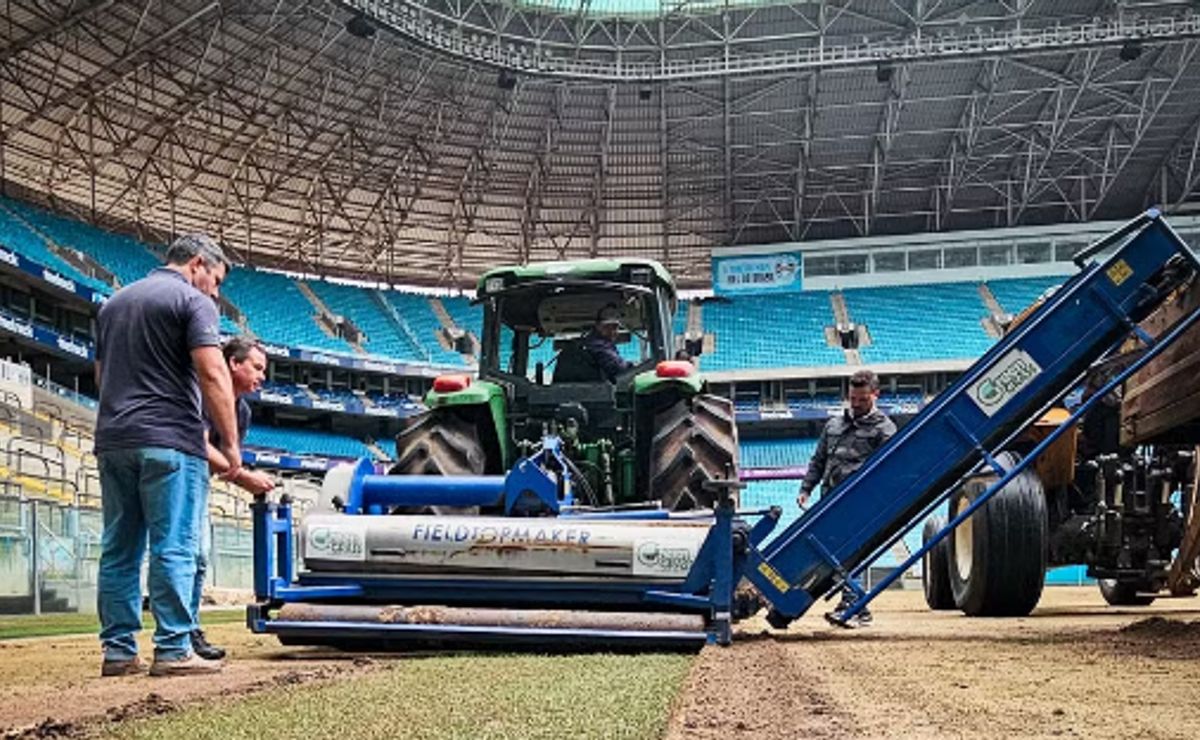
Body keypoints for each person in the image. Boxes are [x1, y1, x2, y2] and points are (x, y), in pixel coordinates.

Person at [94, 233, 240, 678]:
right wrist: (231, 445)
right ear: (198, 263)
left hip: (115, 437)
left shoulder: (113, 303)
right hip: (170, 440)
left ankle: (118, 652)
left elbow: (102, 375)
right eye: (215, 280)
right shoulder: (194, 302)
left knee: (119, 549)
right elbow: (214, 373)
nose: (215, 291)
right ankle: (174, 647)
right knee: (173, 545)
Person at [190, 336, 276, 661]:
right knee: (190, 555)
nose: (262, 376)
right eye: (256, 367)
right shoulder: (200, 390)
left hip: (199, 479)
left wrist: (243, 476)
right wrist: (245, 478)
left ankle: (187, 629)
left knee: (197, 557)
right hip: (179, 472)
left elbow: (227, 461)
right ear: (233, 363)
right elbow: (199, 443)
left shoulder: (242, 411)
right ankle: (181, 633)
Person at [797, 369, 896, 627]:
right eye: (853, 398)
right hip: (828, 500)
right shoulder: (833, 424)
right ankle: (855, 605)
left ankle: (854, 604)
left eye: (862, 399)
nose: (856, 404)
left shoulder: (884, 429)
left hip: (859, 503)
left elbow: (889, 471)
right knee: (832, 554)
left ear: (875, 395)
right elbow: (818, 461)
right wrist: (806, 489)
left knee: (851, 553)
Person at [582, 305, 632, 382]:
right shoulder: (596, 345)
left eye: (615, 327)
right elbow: (618, 368)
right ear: (598, 326)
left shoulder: (605, 344)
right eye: (607, 327)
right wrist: (633, 367)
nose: (612, 332)